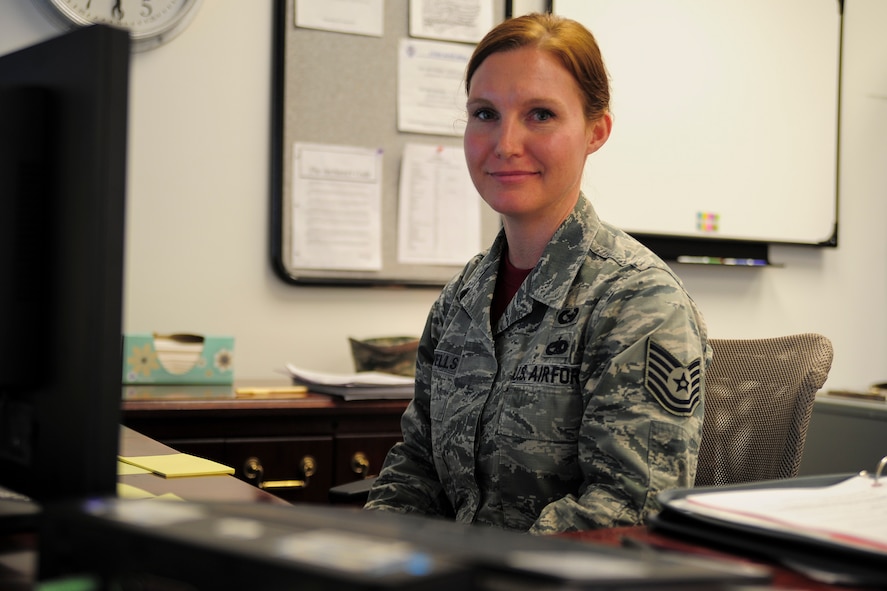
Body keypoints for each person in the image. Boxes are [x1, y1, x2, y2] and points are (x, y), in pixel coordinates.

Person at [365, 12, 710, 534]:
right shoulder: (462, 298)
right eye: (484, 113)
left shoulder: (639, 302)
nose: (505, 143)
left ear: (597, 131)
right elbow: (418, 468)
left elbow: (627, 512)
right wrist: (362, 553)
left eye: (541, 114)